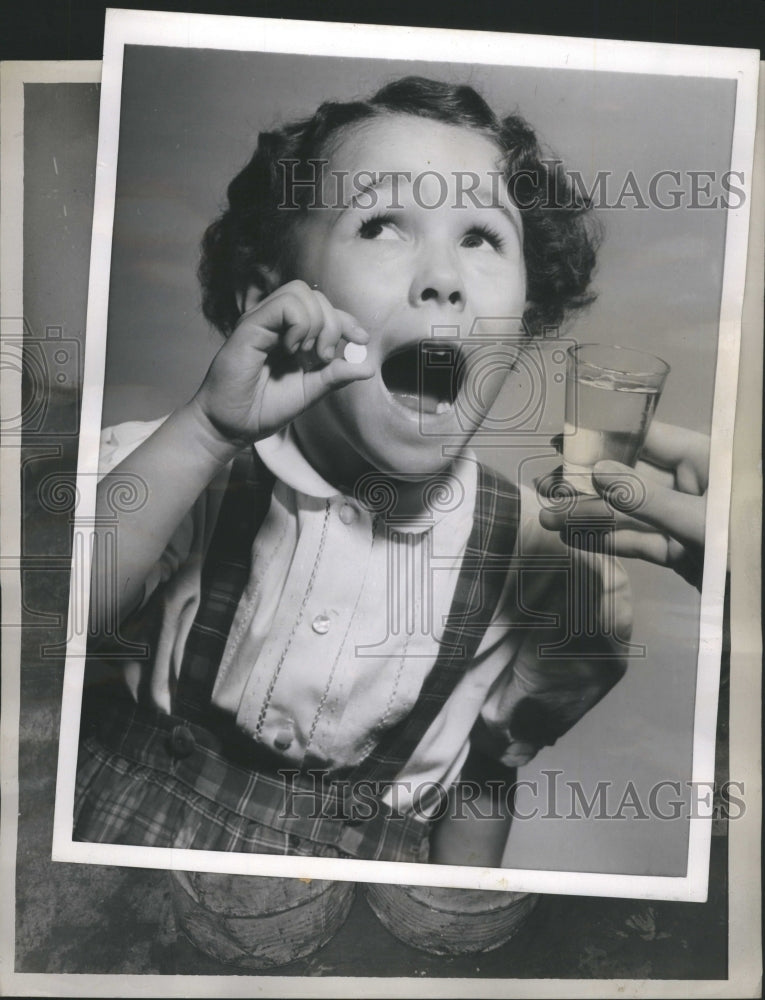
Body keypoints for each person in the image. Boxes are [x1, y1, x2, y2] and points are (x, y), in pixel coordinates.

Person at [74, 76, 634, 873]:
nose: (441, 278)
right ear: (268, 303)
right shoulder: (172, 474)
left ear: (525, 318)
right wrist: (203, 432)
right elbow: (42, 628)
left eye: (481, 236)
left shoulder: (544, 570)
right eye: (380, 224)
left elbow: (481, 784)